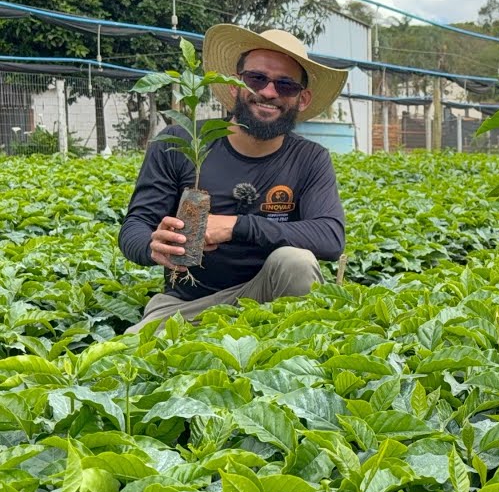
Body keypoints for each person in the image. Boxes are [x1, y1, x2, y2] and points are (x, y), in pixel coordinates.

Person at [119, 24, 348, 333]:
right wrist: (152, 246)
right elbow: (134, 226)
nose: (269, 92)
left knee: (296, 262)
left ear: (302, 98)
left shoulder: (309, 158)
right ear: (233, 85)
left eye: (285, 85)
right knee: (122, 354)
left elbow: (330, 237)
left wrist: (236, 226)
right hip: (187, 304)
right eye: (256, 79)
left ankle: (292, 347)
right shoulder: (180, 142)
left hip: (269, 297)